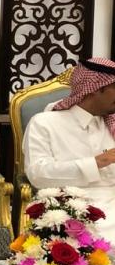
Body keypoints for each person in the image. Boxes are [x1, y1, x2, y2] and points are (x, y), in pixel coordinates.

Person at [23, 57, 115, 243]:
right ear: (96, 88)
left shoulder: (111, 124)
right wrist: (97, 162)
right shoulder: (44, 123)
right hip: (68, 207)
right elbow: (38, 174)